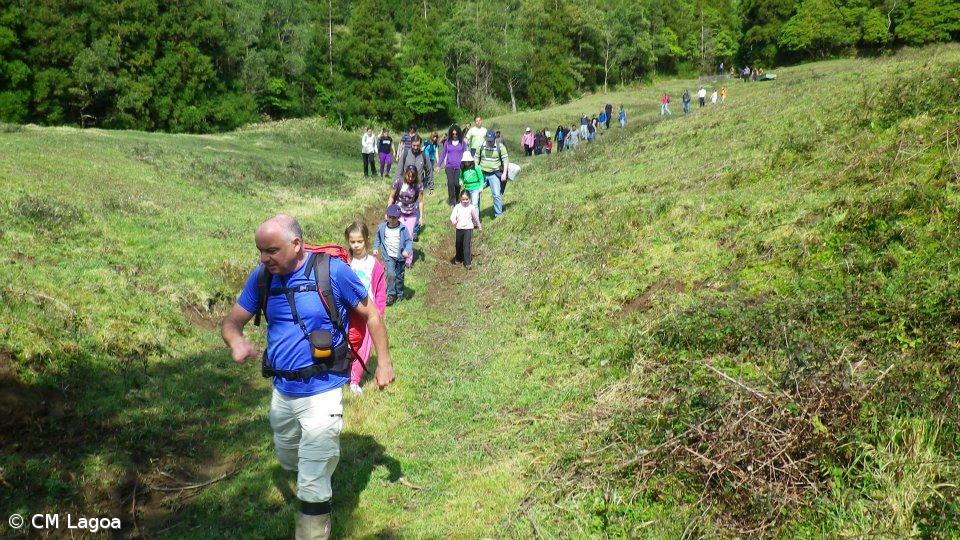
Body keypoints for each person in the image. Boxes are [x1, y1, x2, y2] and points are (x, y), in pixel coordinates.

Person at [221, 214, 395, 540]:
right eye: (260, 250)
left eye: (271, 250)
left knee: (312, 482)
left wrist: (383, 362)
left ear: (296, 244)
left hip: (323, 390)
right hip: (282, 393)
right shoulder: (262, 278)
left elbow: (371, 313)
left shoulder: (331, 271)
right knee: (289, 457)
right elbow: (232, 322)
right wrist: (237, 341)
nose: (264, 258)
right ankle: (314, 469)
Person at [344, 221, 386, 395]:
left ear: (367, 240)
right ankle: (342, 373)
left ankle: (354, 380)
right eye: (352, 242)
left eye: (359, 241)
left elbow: (380, 290)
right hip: (349, 313)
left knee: (365, 347)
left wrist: (379, 313)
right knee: (348, 344)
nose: (356, 245)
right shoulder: (346, 263)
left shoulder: (374, 264)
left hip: (369, 313)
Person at [393, 135, 433, 239]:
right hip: (404, 186)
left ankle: (414, 231)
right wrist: (396, 183)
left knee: (417, 207)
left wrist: (431, 186)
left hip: (417, 187)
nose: (416, 147)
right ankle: (398, 226)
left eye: (418, 145)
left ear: (421, 145)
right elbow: (399, 169)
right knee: (401, 205)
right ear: (411, 144)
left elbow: (429, 171)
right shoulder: (406, 154)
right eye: (414, 145)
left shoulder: (424, 156)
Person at [373, 205, 412, 305]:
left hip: (400, 257)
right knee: (390, 274)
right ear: (386, 216)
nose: (392, 219)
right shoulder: (382, 228)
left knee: (399, 277)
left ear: (398, 217)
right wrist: (376, 248)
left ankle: (400, 294)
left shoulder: (402, 228)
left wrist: (407, 250)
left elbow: (408, 241)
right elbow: (378, 239)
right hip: (389, 256)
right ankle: (391, 294)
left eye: (394, 217)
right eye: (390, 217)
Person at [387, 166, 423, 267]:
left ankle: (408, 260)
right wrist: (388, 211)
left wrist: (421, 216)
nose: (410, 178)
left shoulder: (418, 185)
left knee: (409, 236)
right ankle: (396, 257)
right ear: (405, 174)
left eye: (413, 177)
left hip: (412, 213)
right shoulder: (398, 182)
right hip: (399, 212)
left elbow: (420, 201)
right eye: (409, 176)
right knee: (398, 234)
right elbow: (391, 196)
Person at [477, 130, 509, 219]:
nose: (489, 142)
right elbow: (475, 162)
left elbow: (506, 161)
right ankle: (475, 216)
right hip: (482, 175)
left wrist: (504, 174)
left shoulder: (500, 147)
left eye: (491, 140)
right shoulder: (480, 147)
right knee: (475, 193)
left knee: (496, 194)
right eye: (488, 140)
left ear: (494, 139)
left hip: (494, 174)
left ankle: (498, 215)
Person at [450, 190, 482, 269]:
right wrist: (454, 221)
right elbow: (452, 216)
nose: (465, 201)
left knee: (466, 245)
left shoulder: (471, 207)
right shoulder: (457, 207)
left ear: (469, 199)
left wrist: (479, 226)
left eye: (466, 199)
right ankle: (458, 258)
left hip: (468, 228)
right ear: (460, 199)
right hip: (459, 228)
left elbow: (475, 218)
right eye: (463, 199)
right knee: (458, 245)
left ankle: (468, 263)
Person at [437, 124, 468, 207]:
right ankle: (451, 201)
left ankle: (457, 198)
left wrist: (468, 164)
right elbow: (443, 154)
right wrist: (439, 165)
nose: (455, 135)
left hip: (459, 167)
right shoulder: (447, 142)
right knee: (451, 183)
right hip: (449, 167)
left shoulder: (462, 143)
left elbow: (466, 154)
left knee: (457, 184)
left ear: (459, 133)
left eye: (456, 134)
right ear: (451, 134)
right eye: (453, 134)